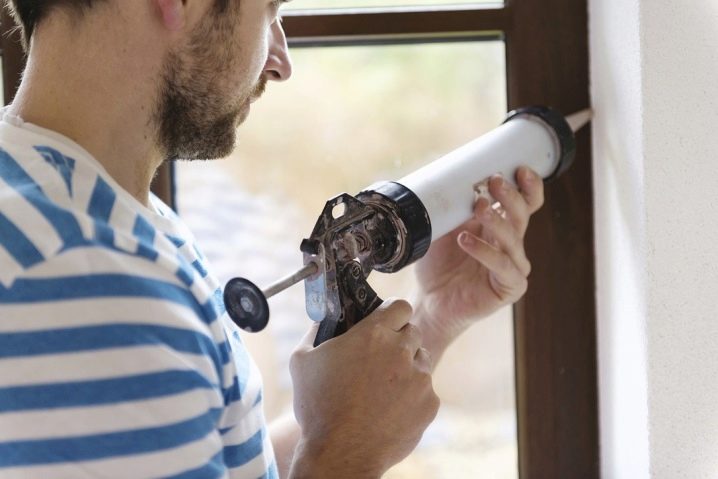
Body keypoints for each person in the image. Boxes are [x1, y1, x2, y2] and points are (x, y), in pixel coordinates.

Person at [0, 0, 545, 477]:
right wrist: (346, 454)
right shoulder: (88, 282)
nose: (281, 61)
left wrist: (432, 318)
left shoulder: (87, 207)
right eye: (269, 10)